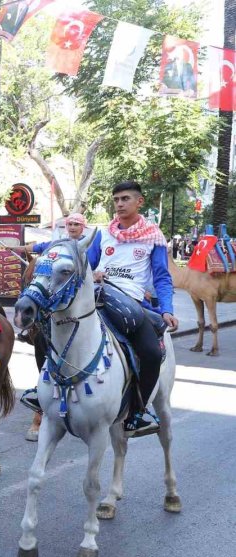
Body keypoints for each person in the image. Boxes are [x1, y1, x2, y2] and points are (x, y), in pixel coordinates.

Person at [85, 181, 179, 437]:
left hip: (132, 303)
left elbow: (162, 277)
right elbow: (85, 266)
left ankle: (138, 412)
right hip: (96, 296)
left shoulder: (154, 237)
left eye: (125, 199)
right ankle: (45, 393)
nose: (119, 204)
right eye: (116, 200)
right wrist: (91, 274)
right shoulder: (102, 235)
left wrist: (167, 309)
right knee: (47, 328)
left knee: (150, 352)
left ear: (140, 202)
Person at [10, 212, 101, 256]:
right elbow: (35, 247)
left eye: (76, 224)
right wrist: (12, 248)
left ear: (82, 227)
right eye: (70, 224)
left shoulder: (91, 245)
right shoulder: (58, 243)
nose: (72, 227)